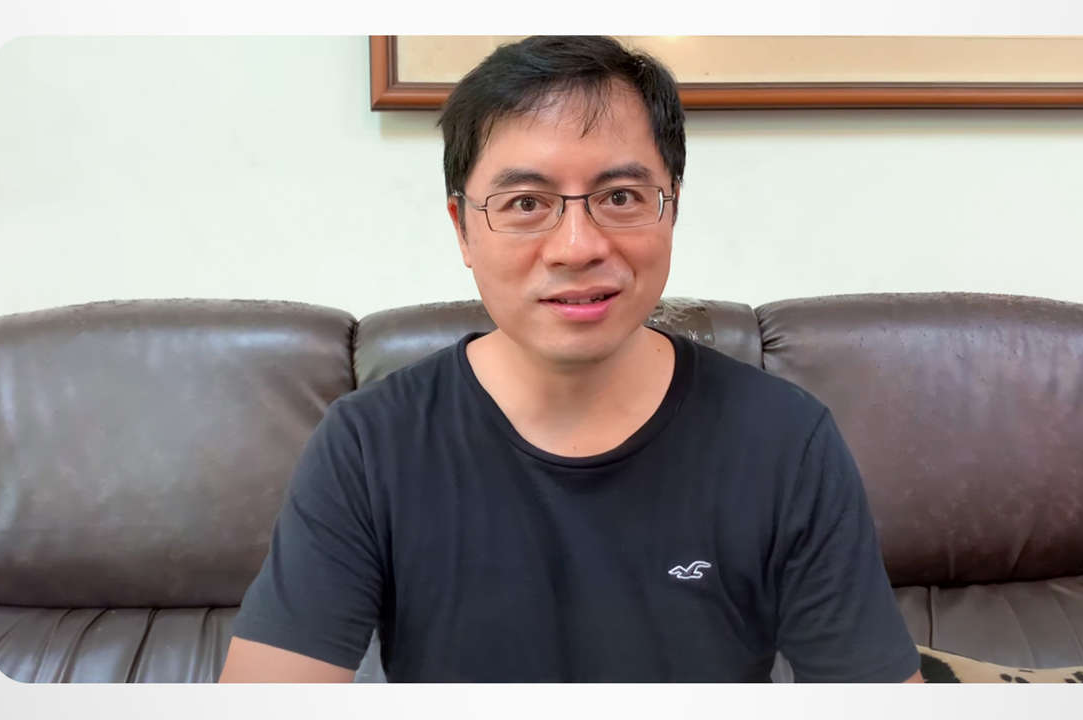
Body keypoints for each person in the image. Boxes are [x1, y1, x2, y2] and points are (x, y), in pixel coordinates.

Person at [219, 35, 923, 683]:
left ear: (671, 210)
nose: (577, 246)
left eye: (620, 197)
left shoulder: (784, 441)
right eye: (526, 202)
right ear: (463, 229)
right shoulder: (369, 445)